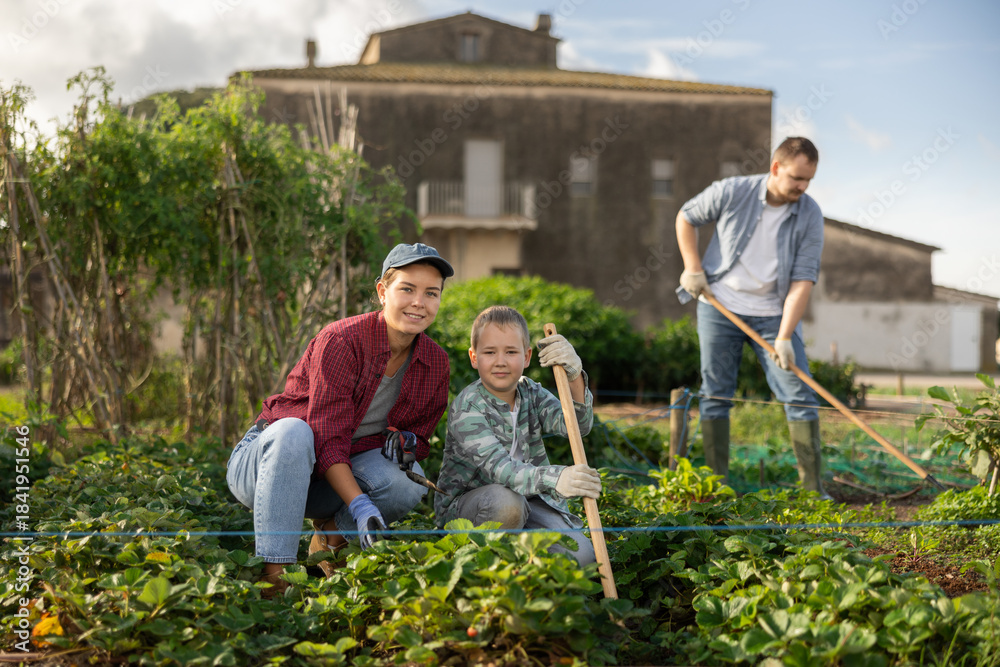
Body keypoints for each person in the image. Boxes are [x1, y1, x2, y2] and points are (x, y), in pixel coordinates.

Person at [226, 243, 453, 597]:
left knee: (410, 482)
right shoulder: (342, 340)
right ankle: (275, 577)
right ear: (382, 291)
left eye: (431, 293)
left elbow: (420, 437)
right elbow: (327, 438)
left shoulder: (434, 362)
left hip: (325, 483)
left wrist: (408, 442)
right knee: (294, 432)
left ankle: (329, 540)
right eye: (407, 289)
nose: (419, 302)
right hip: (267, 469)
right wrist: (360, 503)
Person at [675, 137, 831, 499]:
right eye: (796, 178)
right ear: (776, 168)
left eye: (809, 180)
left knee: (799, 394)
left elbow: (803, 279)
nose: (802, 187)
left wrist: (784, 336)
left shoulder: (809, 213)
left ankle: (812, 488)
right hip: (720, 306)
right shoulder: (733, 191)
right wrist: (692, 269)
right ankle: (718, 486)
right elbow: (686, 215)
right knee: (715, 393)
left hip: (774, 315)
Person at [434, 305, 602, 566]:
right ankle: (487, 572)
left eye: (511, 352)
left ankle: (527, 565)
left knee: (582, 559)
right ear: (474, 357)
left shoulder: (530, 393)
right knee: (507, 503)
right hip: (472, 507)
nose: (500, 361)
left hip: (531, 499)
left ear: (526, 357)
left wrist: (574, 376)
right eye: (490, 352)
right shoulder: (467, 407)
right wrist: (558, 477)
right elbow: (503, 472)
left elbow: (577, 426)